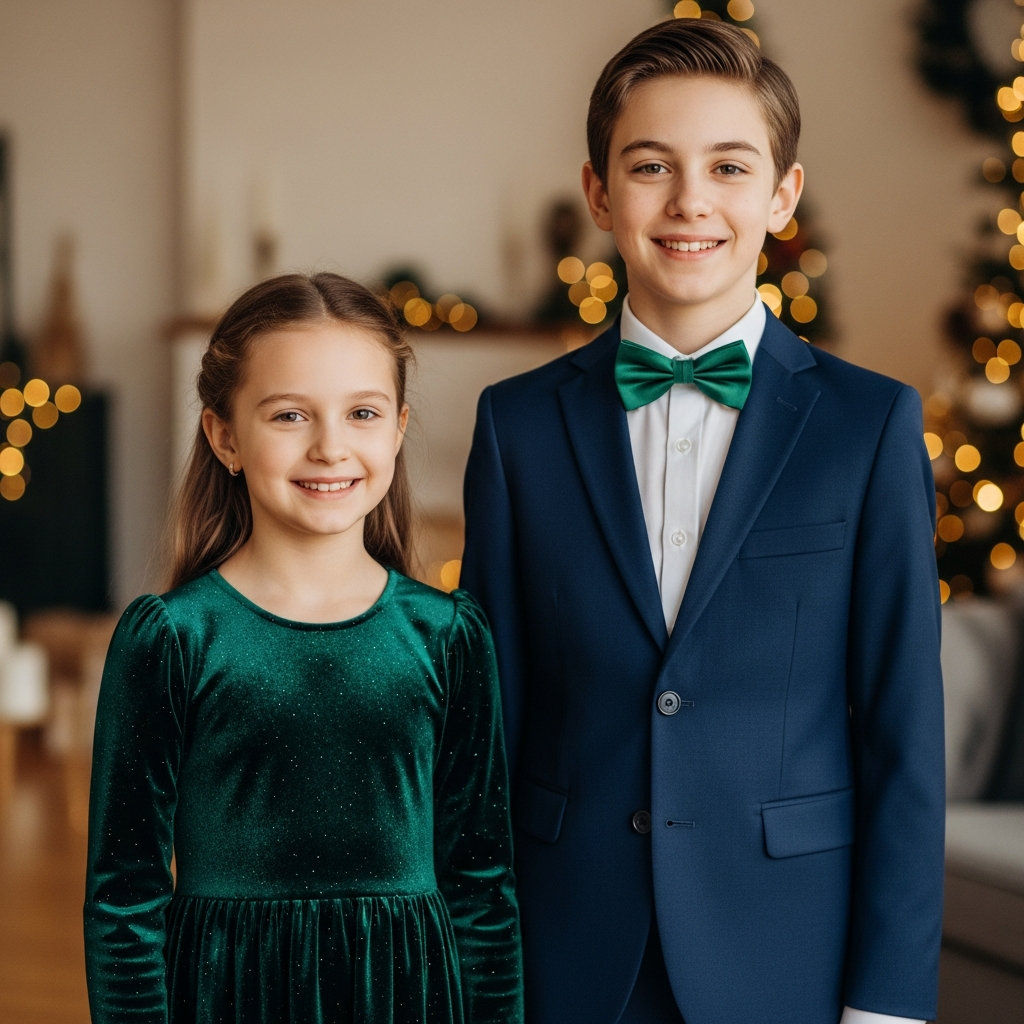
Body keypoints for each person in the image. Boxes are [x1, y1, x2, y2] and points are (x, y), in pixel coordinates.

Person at [461, 19, 944, 1024]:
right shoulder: (516, 428)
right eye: (650, 167)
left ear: (781, 195)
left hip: (786, 952)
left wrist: (887, 1003)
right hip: (566, 952)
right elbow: (488, 728)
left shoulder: (871, 423)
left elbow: (903, 734)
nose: (689, 202)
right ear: (598, 192)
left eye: (728, 167)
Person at [85, 273, 523, 1024]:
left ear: (396, 429)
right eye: (290, 415)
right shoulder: (172, 638)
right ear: (225, 435)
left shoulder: (448, 636)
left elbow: (482, 886)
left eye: (362, 413)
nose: (330, 447)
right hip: (227, 993)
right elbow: (125, 896)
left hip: (408, 995)